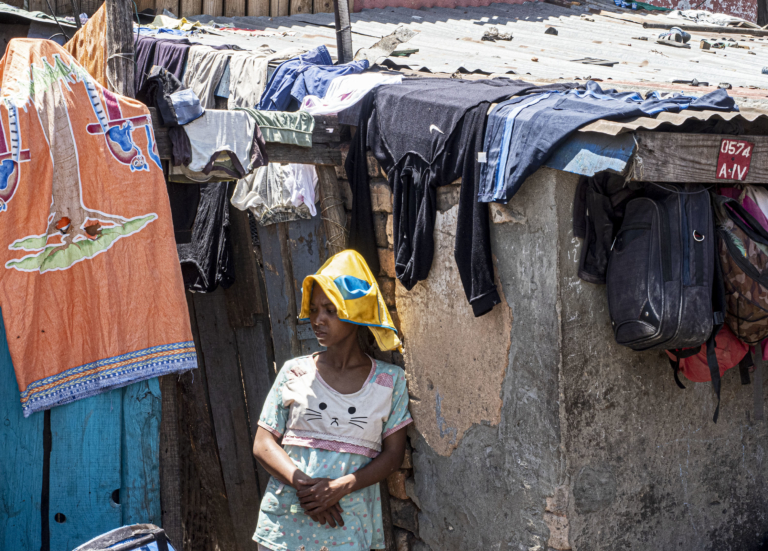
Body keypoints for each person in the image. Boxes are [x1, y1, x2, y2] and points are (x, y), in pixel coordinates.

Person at [252, 249, 412, 551]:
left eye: (330, 310)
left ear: (356, 312)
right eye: (314, 310)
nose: (318, 319)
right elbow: (262, 444)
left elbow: (393, 455)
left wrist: (341, 486)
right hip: (284, 528)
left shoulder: (388, 382)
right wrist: (307, 489)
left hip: (347, 527)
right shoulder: (295, 372)